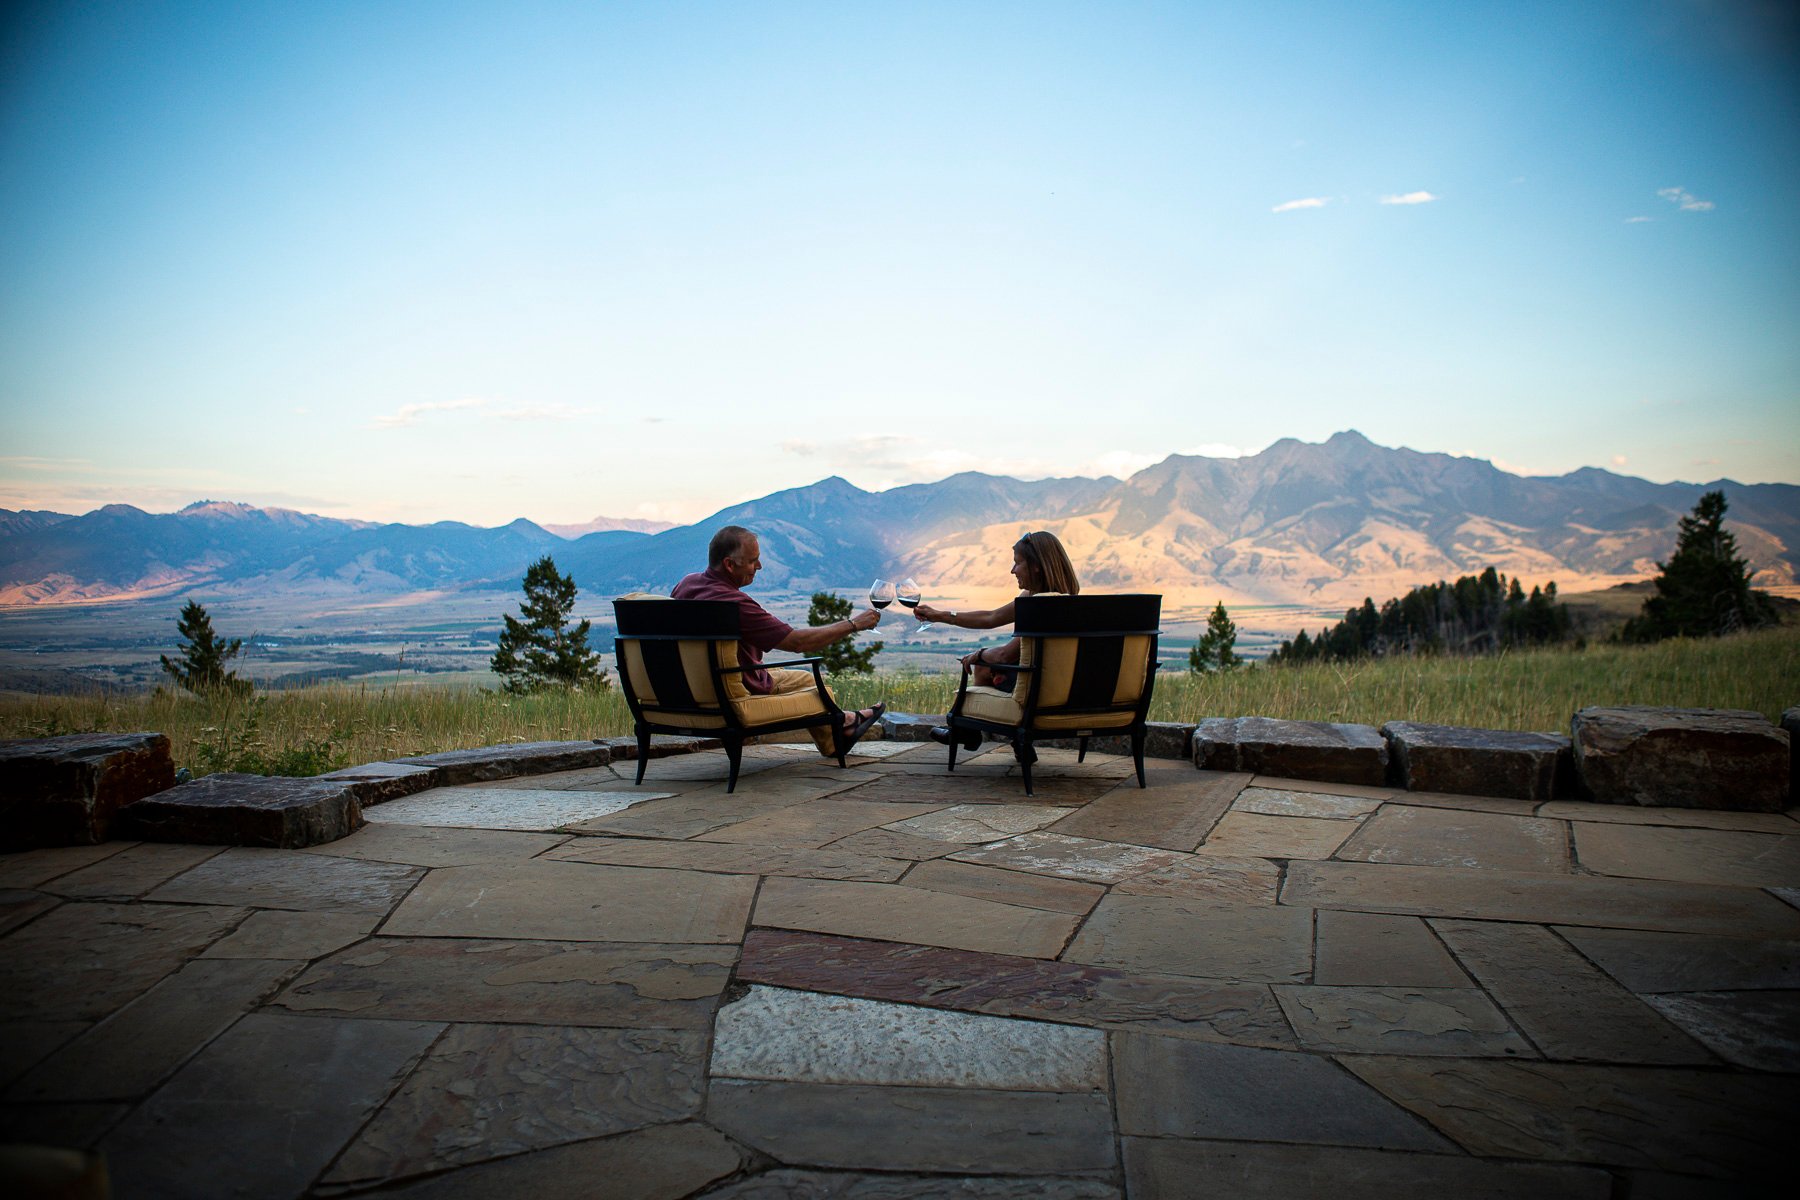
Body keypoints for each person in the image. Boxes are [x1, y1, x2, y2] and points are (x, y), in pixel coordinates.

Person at [672, 525, 886, 754]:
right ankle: (843, 727)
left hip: (696, 690)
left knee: (807, 680)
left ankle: (841, 729)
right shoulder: (733, 605)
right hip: (736, 691)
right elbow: (798, 643)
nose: (759, 566)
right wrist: (854, 624)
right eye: (753, 560)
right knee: (815, 685)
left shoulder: (687, 584)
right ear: (729, 564)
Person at [910, 530, 1081, 747]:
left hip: (1038, 692)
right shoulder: (1067, 601)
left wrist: (978, 655)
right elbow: (992, 617)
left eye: (1017, 563)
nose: (1012, 570)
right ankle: (994, 739)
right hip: (1064, 690)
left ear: (1036, 565)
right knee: (992, 666)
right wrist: (940, 615)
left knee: (983, 667)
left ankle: (968, 732)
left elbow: (1005, 654)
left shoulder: (1040, 606)